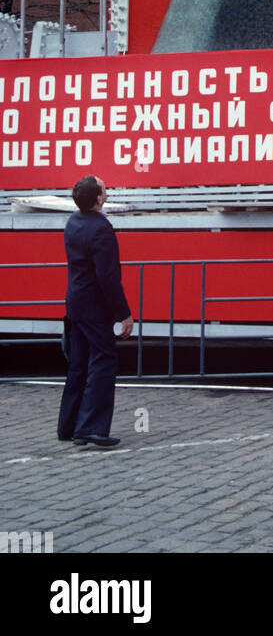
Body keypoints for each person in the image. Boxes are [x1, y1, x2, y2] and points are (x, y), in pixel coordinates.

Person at [57, 176, 133, 450]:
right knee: (103, 359)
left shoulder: (73, 222)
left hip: (75, 302)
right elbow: (108, 277)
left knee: (78, 363)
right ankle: (91, 427)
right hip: (93, 305)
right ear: (99, 198)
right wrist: (123, 313)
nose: (107, 191)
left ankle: (70, 424)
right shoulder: (101, 229)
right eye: (104, 189)